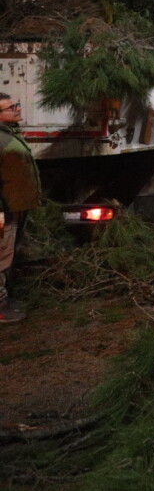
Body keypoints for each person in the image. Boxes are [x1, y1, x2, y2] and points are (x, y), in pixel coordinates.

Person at [0, 94, 41, 324]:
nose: (17, 109)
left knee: (6, 255)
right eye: (11, 107)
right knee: (1, 257)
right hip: (4, 212)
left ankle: (4, 300)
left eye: (17, 105)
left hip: (14, 209)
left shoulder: (8, 134)